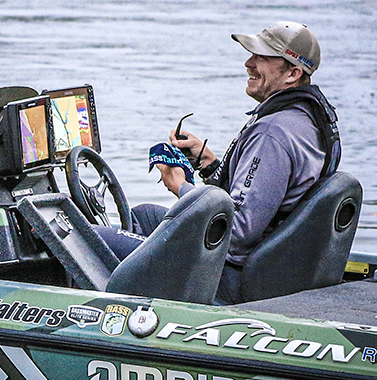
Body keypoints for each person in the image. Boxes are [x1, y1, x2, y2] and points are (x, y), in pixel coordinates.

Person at [101, 21, 340, 304]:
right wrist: (209, 163)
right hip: (269, 263)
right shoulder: (308, 119)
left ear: (293, 73)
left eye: (262, 57)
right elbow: (265, 194)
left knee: (90, 237)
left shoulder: (272, 134)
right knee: (144, 215)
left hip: (230, 277)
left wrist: (181, 187)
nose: (248, 64)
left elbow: (235, 234)